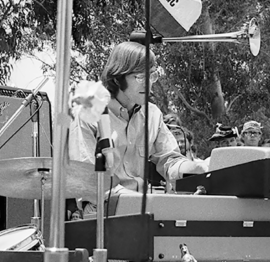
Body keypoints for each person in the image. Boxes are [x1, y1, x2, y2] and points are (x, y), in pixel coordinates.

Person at [69, 40, 208, 206]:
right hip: (99, 212)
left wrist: (197, 168)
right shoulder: (88, 111)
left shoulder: (153, 114)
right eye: (141, 77)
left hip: (141, 209)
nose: (149, 83)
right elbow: (88, 181)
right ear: (117, 78)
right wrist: (140, 201)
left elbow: (170, 161)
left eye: (153, 75)